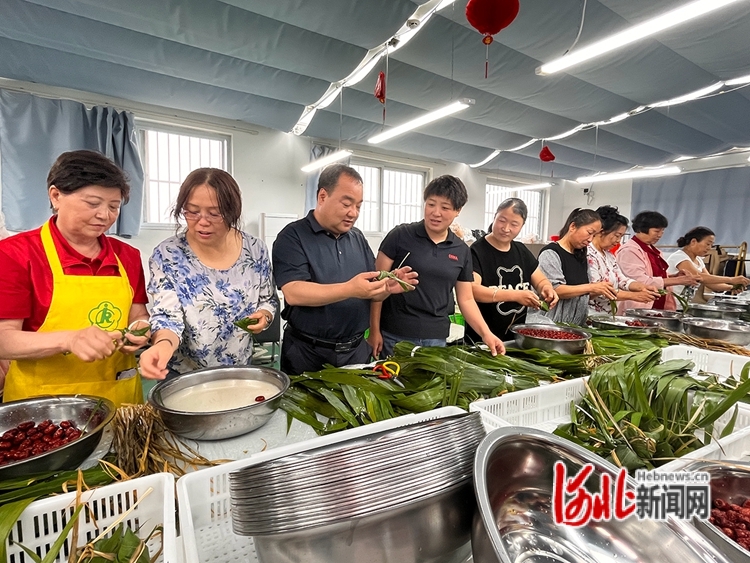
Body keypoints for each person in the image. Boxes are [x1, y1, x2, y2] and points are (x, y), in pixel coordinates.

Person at [0, 150, 149, 405]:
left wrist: (140, 332)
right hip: (43, 405)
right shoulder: (16, 254)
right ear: (56, 196)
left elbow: (139, 316)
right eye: (93, 203)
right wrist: (69, 339)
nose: (105, 215)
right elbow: (4, 340)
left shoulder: (128, 256)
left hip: (120, 398)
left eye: (114, 207)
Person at [272, 164, 417, 375]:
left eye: (358, 206)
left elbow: (369, 289)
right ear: (322, 196)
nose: (353, 213)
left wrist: (386, 288)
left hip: (355, 350)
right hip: (308, 353)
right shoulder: (293, 237)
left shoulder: (357, 238)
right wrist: (350, 289)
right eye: (347, 204)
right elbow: (294, 292)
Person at [139, 168, 278, 379]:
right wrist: (163, 345)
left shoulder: (255, 249)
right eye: (192, 211)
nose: (202, 221)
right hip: (184, 374)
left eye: (215, 213)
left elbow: (267, 299)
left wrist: (265, 316)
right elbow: (168, 317)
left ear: (233, 212)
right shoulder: (168, 254)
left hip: (239, 370)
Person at [368, 175, 505, 358]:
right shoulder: (401, 236)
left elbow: (466, 300)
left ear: (458, 210)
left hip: (436, 339)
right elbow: (377, 283)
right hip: (395, 335)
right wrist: (374, 330)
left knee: (429, 386)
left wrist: (486, 334)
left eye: (445, 207)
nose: (436, 212)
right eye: (431, 204)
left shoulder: (462, 250)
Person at [467, 198, 558, 342]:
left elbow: (539, 279)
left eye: (514, 224)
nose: (506, 228)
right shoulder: (477, 251)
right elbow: (473, 290)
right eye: (502, 220)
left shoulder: (521, 250)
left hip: (515, 337)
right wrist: (514, 295)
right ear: (494, 217)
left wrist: (546, 288)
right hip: (482, 338)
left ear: (522, 226)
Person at [537, 208, 616, 326]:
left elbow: (583, 295)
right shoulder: (550, 253)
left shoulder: (581, 254)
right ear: (573, 226)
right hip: (552, 326)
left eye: (594, 235)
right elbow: (555, 290)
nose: (590, 239)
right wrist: (591, 288)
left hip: (576, 326)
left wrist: (599, 290)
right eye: (589, 233)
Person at [616, 211, 699, 310]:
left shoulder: (653, 250)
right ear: (641, 229)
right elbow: (640, 281)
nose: (660, 235)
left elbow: (653, 275)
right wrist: (678, 280)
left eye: (662, 231)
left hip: (657, 302)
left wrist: (673, 276)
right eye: (656, 231)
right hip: (638, 304)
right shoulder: (629, 251)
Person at [587, 206, 660, 315]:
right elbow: (598, 290)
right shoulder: (588, 254)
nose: (618, 241)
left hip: (608, 315)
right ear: (601, 231)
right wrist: (634, 296)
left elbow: (622, 280)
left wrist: (642, 287)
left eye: (621, 236)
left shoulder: (609, 255)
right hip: (590, 315)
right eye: (617, 235)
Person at [667, 227, 750, 296]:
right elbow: (700, 277)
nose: (710, 248)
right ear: (693, 242)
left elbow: (710, 283)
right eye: (708, 244)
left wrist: (731, 287)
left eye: (712, 245)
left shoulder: (699, 260)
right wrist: (731, 280)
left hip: (682, 305)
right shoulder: (679, 257)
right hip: (670, 302)